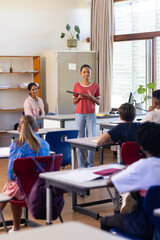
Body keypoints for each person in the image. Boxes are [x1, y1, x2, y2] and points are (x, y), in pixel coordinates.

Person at [100, 122, 160, 240]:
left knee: (105, 221)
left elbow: (110, 183)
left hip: (145, 224)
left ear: (141, 146)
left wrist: (125, 170)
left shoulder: (140, 166)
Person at [1, 115, 50, 232]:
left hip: (24, 192)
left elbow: (11, 174)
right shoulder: (45, 145)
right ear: (37, 128)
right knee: (13, 185)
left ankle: (16, 227)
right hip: (44, 188)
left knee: (10, 185)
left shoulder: (16, 146)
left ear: (19, 130)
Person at [73, 64, 100, 168]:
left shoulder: (95, 86)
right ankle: (81, 165)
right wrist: (79, 98)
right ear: (81, 73)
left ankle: (90, 165)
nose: (86, 74)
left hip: (91, 114)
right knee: (80, 139)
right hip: (79, 114)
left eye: (88, 72)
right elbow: (74, 102)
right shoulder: (77, 85)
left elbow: (98, 102)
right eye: (84, 72)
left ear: (91, 73)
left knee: (91, 139)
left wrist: (92, 97)